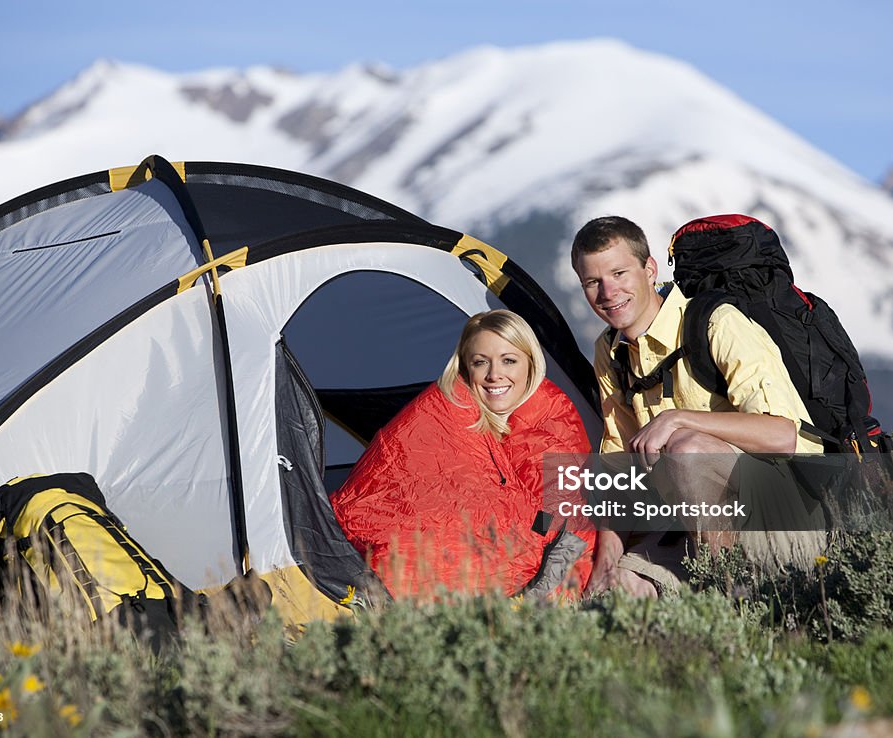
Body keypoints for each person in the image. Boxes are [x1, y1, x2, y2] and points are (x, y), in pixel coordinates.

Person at [571, 216, 825, 598]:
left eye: (619, 273)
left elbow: (783, 435)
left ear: (649, 269)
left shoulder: (717, 325)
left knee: (687, 448)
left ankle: (728, 597)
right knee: (622, 589)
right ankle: (709, 598)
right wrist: (605, 566)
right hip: (696, 525)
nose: (608, 292)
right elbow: (619, 469)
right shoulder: (611, 352)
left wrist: (677, 418)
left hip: (789, 518)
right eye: (593, 282)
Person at [331, 309, 594, 599]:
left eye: (509, 360)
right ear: (466, 368)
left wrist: (539, 603)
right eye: (481, 362)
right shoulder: (449, 406)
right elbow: (396, 470)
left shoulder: (550, 425)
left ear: (531, 363)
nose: (495, 375)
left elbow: (570, 524)